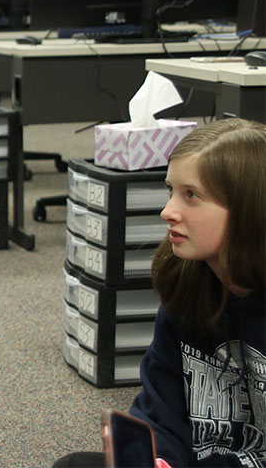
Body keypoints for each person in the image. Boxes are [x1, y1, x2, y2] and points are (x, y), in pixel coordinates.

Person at [54, 118, 266, 468]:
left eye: (192, 196)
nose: (168, 211)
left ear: (248, 209)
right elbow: (160, 408)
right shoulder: (188, 290)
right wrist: (159, 458)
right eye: (171, 190)